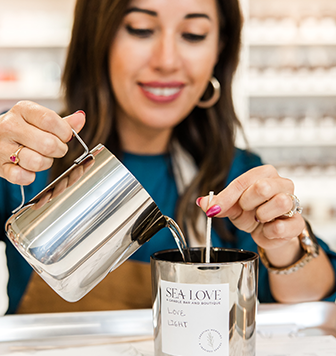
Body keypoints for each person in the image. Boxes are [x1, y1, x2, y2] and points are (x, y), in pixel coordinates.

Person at [0, 0, 336, 314]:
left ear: (219, 48)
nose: (167, 60)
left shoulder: (234, 176)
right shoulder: (28, 161)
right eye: (141, 29)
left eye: (193, 34)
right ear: (97, 38)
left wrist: (283, 241)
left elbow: (314, 304)